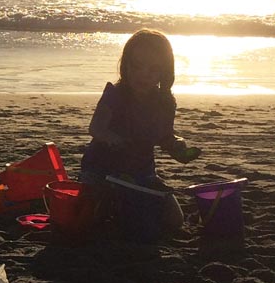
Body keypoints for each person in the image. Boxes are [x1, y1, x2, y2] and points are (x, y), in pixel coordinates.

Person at [79, 30, 200, 233]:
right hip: (102, 169)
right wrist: (113, 138)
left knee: (173, 219)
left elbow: (165, 136)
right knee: (91, 217)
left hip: (140, 172)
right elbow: (96, 128)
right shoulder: (115, 95)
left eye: (153, 69)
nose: (143, 74)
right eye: (136, 66)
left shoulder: (165, 102)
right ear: (125, 65)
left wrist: (178, 147)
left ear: (164, 72)